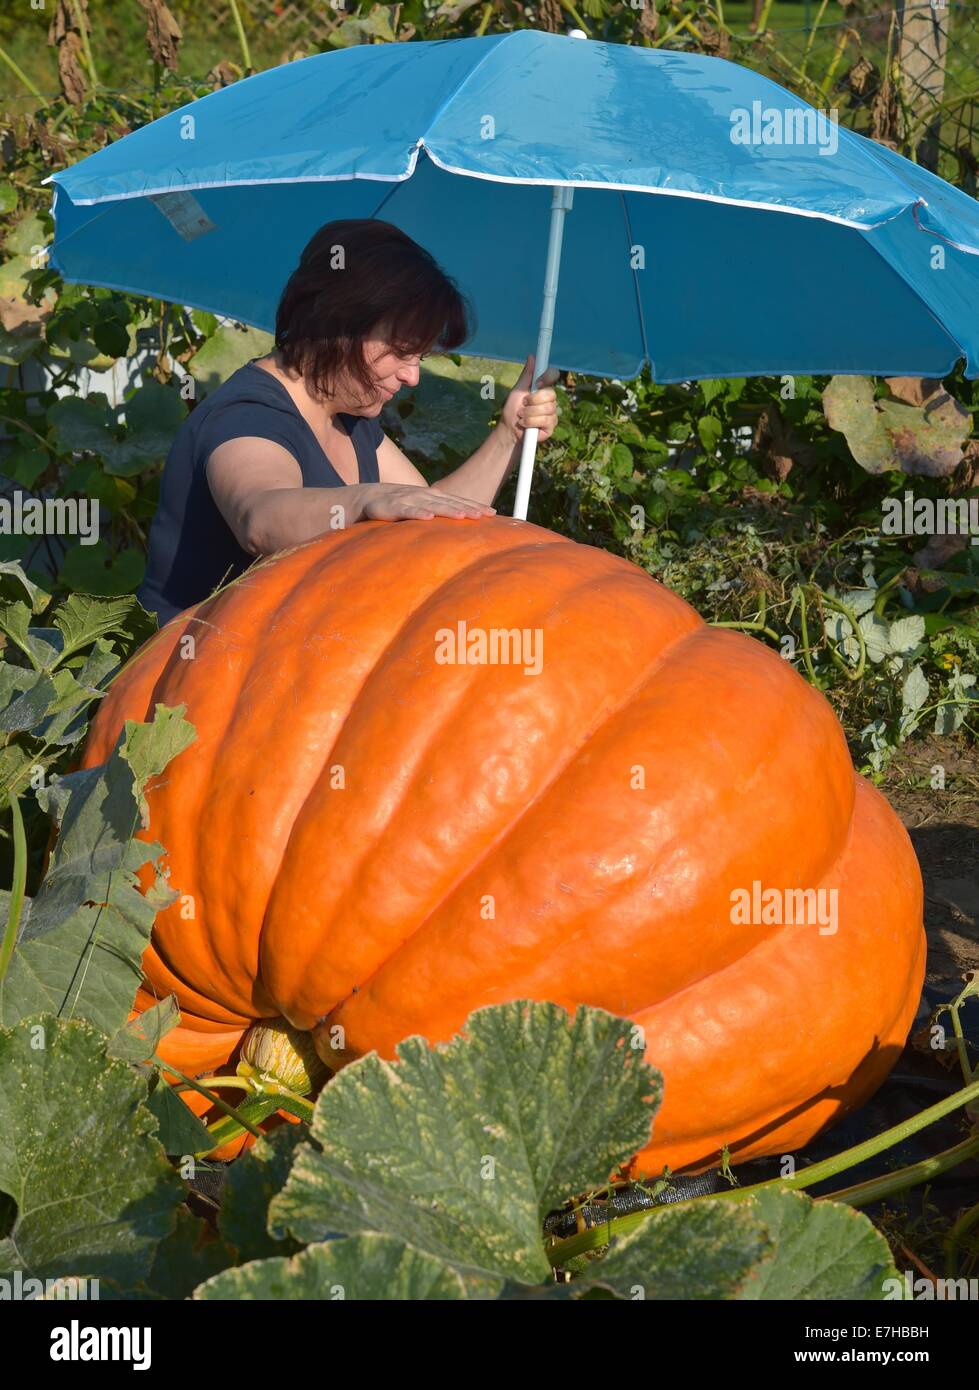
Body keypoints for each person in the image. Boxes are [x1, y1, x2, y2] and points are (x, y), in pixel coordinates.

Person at [137, 218, 559, 626]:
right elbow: (259, 518)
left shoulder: (349, 416)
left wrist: (511, 433)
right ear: (338, 323)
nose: (412, 376)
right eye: (401, 352)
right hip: (184, 681)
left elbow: (432, 516)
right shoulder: (248, 414)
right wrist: (362, 502)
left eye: (420, 358)